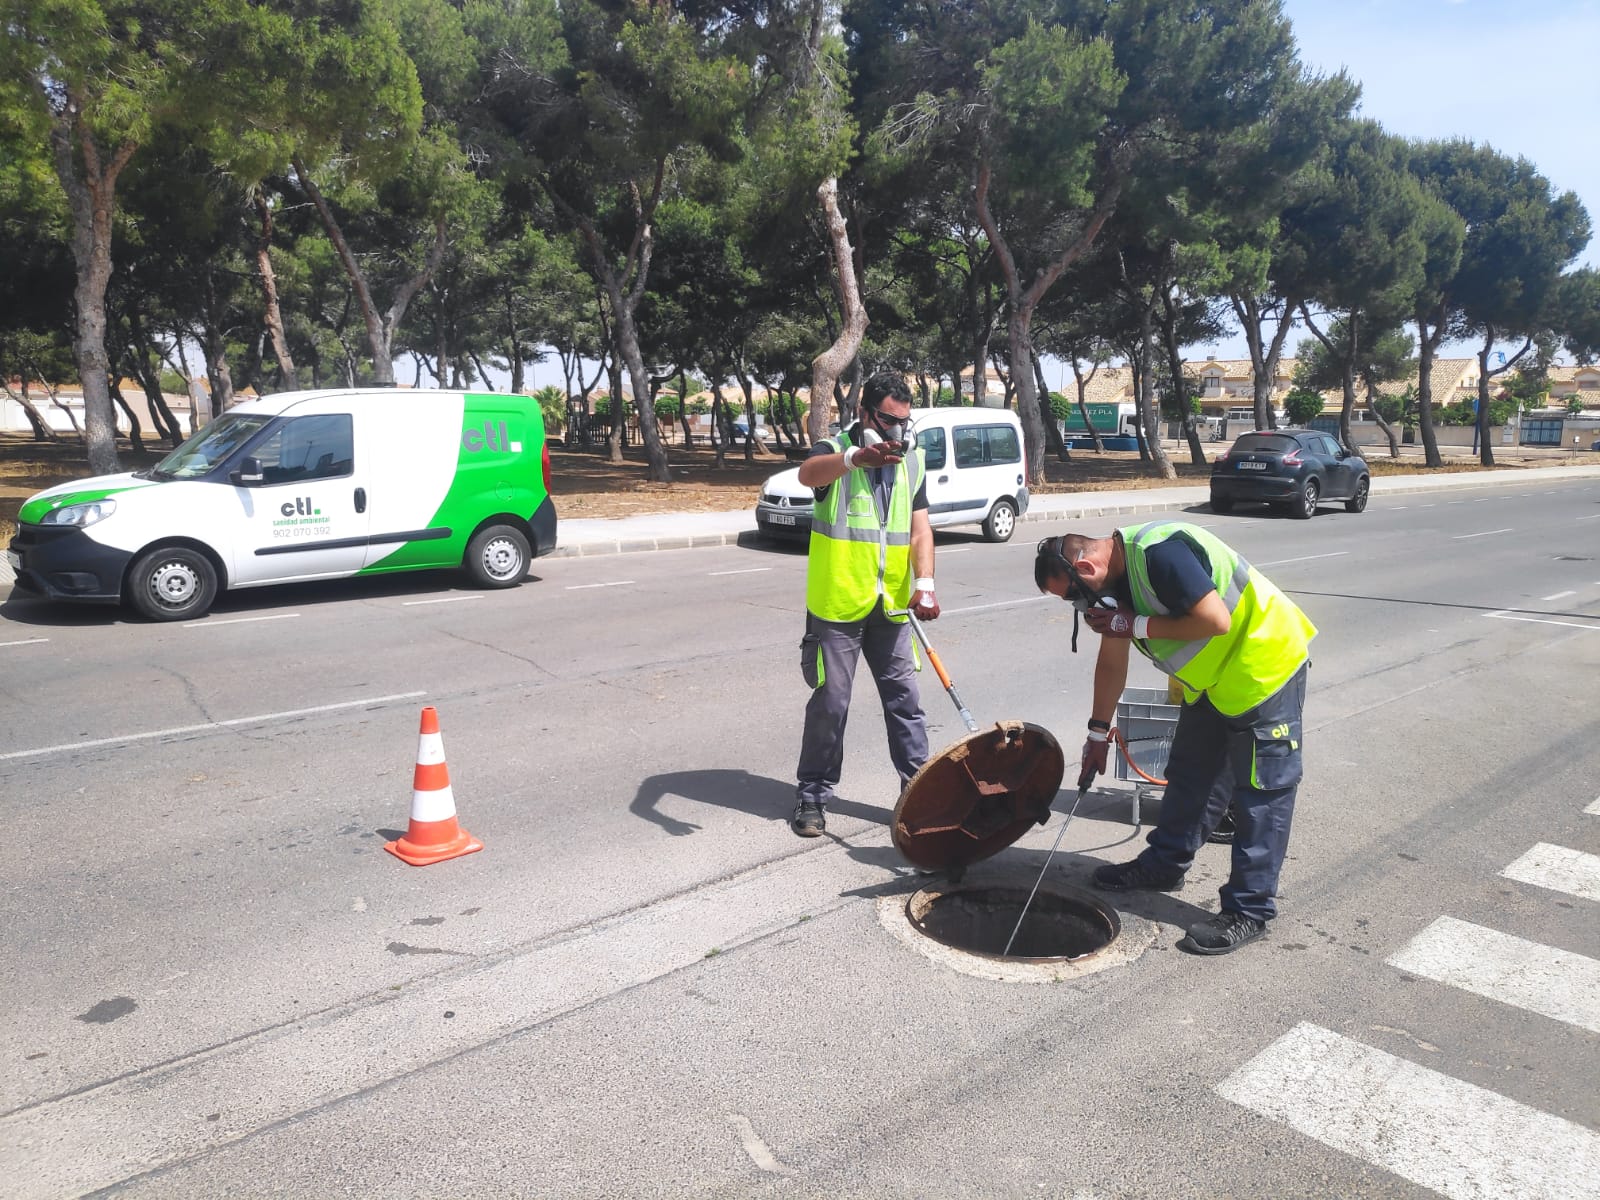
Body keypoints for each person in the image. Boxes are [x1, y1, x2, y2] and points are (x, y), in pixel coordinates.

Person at [1034, 524, 1316, 954]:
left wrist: (1135, 623)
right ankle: (1165, 866)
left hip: (1264, 670)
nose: (1079, 606)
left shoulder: (1160, 555)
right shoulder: (1115, 588)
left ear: (1088, 567)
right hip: (1212, 685)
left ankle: (1249, 910)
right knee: (1190, 772)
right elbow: (1112, 662)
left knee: (1262, 793)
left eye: (1074, 596)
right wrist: (1097, 734)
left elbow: (1214, 619)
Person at [792, 372, 939, 838]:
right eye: (887, 420)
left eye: (904, 420)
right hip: (837, 606)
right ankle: (812, 796)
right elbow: (807, 475)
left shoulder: (911, 461)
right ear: (864, 412)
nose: (897, 430)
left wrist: (927, 582)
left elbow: (920, 529)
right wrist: (856, 458)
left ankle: (918, 794)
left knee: (905, 701)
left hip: (892, 605)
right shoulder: (832, 450)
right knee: (831, 703)